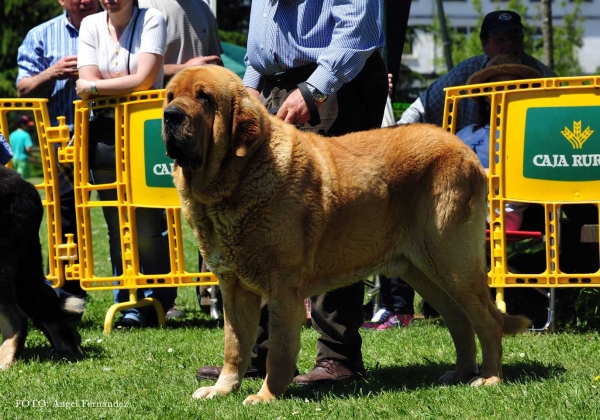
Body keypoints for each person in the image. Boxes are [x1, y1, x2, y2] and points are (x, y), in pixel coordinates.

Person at [196, 0, 389, 386]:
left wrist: (315, 88)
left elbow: (360, 29)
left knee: (332, 219)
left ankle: (339, 357)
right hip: (273, 87)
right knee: (258, 229)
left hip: (335, 83)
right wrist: (245, 93)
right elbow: (263, 42)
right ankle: (259, 353)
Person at [76, 0, 171, 328]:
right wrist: (96, 86)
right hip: (104, 136)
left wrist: (94, 87)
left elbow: (144, 80)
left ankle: (161, 296)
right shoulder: (90, 25)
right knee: (117, 227)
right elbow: (84, 79)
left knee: (147, 226)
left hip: (145, 131)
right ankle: (128, 301)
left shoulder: (152, 18)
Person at [137, 0, 224, 320]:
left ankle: (210, 294)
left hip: (200, 134)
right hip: (153, 122)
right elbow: (139, 69)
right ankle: (160, 297)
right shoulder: (146, 5)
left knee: (208, 208)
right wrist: (188, 70)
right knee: (154, 218)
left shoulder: (203, 8)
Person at [16, 0, 101, 301]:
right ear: (61, 1)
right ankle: (69, 294)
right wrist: (51, 73)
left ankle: (134, 293)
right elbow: (23, 89)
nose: (84, 1)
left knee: (123, 213)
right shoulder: (40, 35)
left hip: (110, 134)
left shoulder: (115, 27)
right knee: (66, 218)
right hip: (63, 139)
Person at [399, 10, 556, 131]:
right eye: (501, 39)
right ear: (484, 44)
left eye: (516, 37)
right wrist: (397, 136)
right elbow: (422, 107)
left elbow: (558, 123)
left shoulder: (545, 77)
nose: (510, 44)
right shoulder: (466, 71)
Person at [456, 54, 542, 231]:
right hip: (459, 215)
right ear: (486, 96)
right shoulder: (464, 134)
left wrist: (475, 174)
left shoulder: (533, 135)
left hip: (500, 219)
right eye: (497, 87)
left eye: (512, 86)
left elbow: (525, 179)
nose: (504, 93)